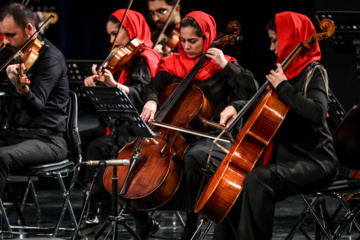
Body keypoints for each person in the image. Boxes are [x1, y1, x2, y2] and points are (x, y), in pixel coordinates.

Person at [212, 11, 338, 240]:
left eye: (274, 40)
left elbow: (317, 113)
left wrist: (284, 87)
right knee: (236, 182)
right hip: (289, 158)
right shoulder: (285, 72)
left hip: (316, 160)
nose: (271, 48)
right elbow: (262, 103)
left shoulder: (314, 71)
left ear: (292, 36)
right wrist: (237, 107)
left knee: (259, 180)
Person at [140, 11, 258, 240]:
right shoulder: (173, 63)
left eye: (192, 41)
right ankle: (143, 215)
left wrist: (224, 64)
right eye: (182, 40)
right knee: (141, 158)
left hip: (213, 137)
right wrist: (152, 100)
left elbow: (252, 92)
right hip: (176, 135)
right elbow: (152, 86)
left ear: (207, 38)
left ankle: (192, 219)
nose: (185, 46)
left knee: (194, 157)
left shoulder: (223, 65)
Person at [79, 8, 160, 237]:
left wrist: (113, 85)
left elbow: (143, 96)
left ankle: (95, 210)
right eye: (109, 35)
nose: (111, 40)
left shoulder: (146, 57)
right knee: (78, 140)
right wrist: (97, 84)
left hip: (140, 127)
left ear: (131, 30)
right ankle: (117, 211)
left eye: (115, 34)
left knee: (98, 147)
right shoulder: (123, 58)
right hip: (118, 123)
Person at [0, 3, 69, 197]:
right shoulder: (10, 51)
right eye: (2, 35)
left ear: (29, 29)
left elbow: (36, 107)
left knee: (1, 158)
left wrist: (21, 88)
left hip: (47, 139)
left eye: (10, 35)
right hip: (14, 134)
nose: (5, 41)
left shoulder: (51, 59)